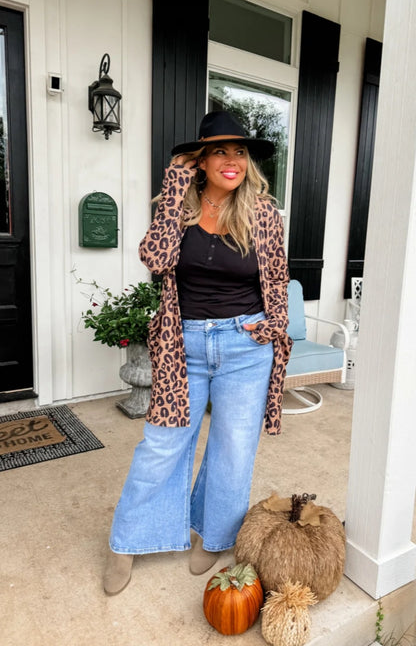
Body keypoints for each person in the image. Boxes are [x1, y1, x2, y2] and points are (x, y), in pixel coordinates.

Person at [103, 110, 292, 596]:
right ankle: (127, 541)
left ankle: (214, 535)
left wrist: (272, 326)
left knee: (233, 449)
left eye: (240, 152)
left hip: (244, 346)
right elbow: (155, 259)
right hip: (181, 345)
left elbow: (275, 278)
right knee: (161, 444)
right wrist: (173, 186)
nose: (232, 161)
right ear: (200, 160)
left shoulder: (263, 214)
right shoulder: (179, 208)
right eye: (220, 151)